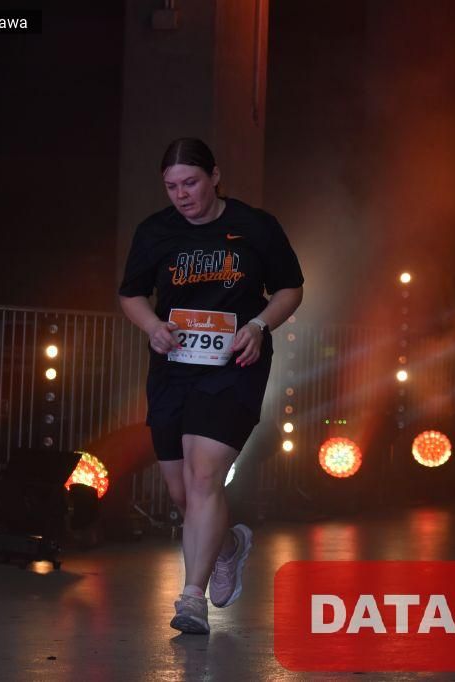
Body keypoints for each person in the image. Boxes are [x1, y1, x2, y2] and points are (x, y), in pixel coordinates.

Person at [118, 138, 304, 634]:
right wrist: (151, 326)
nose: (182, 195)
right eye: (171, 186)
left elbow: (290, 288)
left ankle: (191, 600)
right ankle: (228, 546)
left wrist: (259, 326)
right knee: (181, 492)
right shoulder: (155, 231)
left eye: (191, 182)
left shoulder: (255, 226)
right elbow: (131, 294)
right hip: (173, 368)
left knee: (204, 477)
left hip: (234, 365)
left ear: (215, 177)